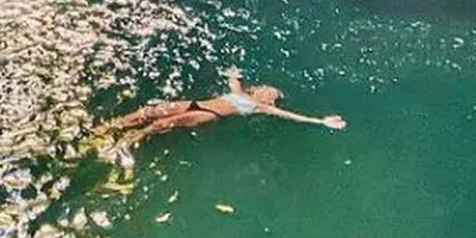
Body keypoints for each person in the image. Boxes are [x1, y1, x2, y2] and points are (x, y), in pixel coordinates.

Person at [104, 68, 347, 147]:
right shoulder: (240, 92)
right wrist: (233, 72)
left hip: (210, 114)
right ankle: (110, 127)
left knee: (162, 123)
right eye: (266, 88)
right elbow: (233, 80)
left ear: (269, 101)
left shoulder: (261, 107)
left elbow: (290, 116)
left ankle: (127, 140)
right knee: (151, 111)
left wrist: (321, 121)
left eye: (270, 93)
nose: (266, 91)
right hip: (197, 103)